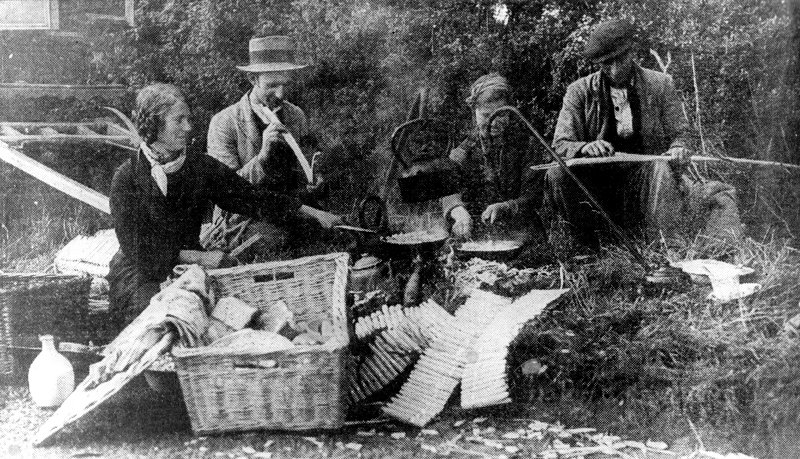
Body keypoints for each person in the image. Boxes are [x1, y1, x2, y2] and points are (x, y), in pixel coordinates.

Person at [107, 83, 340, 328]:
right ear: (154, 125)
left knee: (226, 316)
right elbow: (139, 249)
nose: (188, 127)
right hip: (137, 272)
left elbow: (251, 197)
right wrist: (202, 258)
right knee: (162, 316)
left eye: (188, 119)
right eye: (179, 120)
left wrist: (311, 211)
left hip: (189, 268)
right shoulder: (127, 178)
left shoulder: (200, 166)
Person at [548, 18, 690, 245]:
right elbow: (561, 144)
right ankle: (587, 248)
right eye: (606, 63)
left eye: (620, 60)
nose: (614, 70)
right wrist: (584, 147)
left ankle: (665, 247)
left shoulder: (661, 84)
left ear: (632, 51)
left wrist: (678, 147)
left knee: (661, 165)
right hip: (598, 184)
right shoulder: (579, 92)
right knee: (558, 173)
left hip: (646, 180)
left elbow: (680, 132)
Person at [204, 35, 337, 256]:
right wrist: (263, 157)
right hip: (245, 219)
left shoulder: (295, 116)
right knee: (275, 242)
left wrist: (315, 181)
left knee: (339, 234)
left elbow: (305, 170)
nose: (280, 94)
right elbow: (227, 192)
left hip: (293, 211)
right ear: (252, 79)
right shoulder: (224, 123)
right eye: (272, 85)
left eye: (285, 84)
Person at [440, 73, 546, 240]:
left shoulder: (526, 145)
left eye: (501, 115)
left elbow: (534, 195)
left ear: (510, 112)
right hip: (477, 230)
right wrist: (457, 211)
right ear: (474, 112)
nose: (494, 122)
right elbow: (447, 186)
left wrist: (507, 206)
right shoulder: (465, 149)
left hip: (520, 228)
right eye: (486, 115)